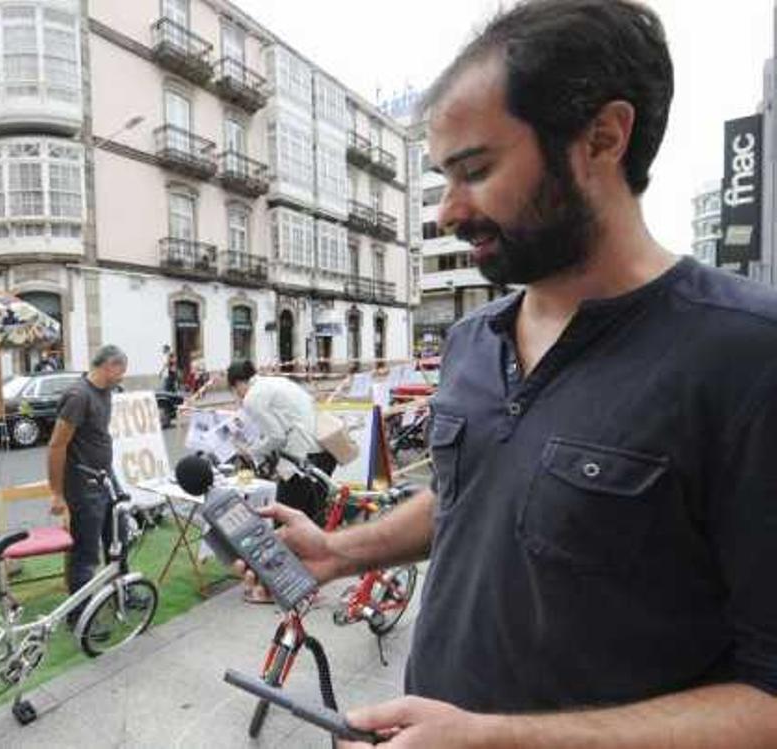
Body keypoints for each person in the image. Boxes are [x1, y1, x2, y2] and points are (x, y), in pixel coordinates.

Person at [238, 2, 777, 746]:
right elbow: (476, 494)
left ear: (602, 138)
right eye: (441, 180)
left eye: (477, 171)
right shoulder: (470, 342)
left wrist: (497, 738)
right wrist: (339, 552)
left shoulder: (748, 355)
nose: (447, 212)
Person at [46, 344, 128, 623]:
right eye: (121, 371)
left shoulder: (105, 391)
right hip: (83, 483)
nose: (122, 377)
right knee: (85, 551)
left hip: (105, 476)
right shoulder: (79, 396)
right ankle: (79, 615)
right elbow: (56, 446)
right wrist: (57, 493)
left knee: (119, 535)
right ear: (109, 366)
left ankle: (123, 591)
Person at [226, 360, 336, 528]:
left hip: (300, 459)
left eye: (234, 391)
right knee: (313, 520)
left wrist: (252, 451)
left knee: (283, 520)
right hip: (323, 450)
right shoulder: (275, 382)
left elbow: (276, 437)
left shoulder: (252, 397)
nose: (237, 396)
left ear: (237, 383)